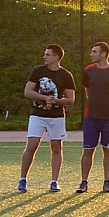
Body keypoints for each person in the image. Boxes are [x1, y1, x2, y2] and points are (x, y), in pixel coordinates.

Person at [18, 44, 75, 192]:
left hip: (56, 117)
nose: (44, 57)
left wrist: (55, 101)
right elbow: (28, 92)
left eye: (48, 54)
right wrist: (45, 98)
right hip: (37, 115)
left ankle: (54, 181)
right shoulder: (38, 71)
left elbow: (70, 99)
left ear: (56, 57)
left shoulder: (66, 75)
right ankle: (22, 179)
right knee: (31, 146)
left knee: (56, 147)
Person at [77, 41, 109, 194]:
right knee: (88, 150)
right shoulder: (88, 71)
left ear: (103, 54)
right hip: (91, 116)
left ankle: (107, 182)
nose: (91, 54)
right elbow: (87, 90)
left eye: (94, 51)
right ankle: (84, 182)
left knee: (108, 150)